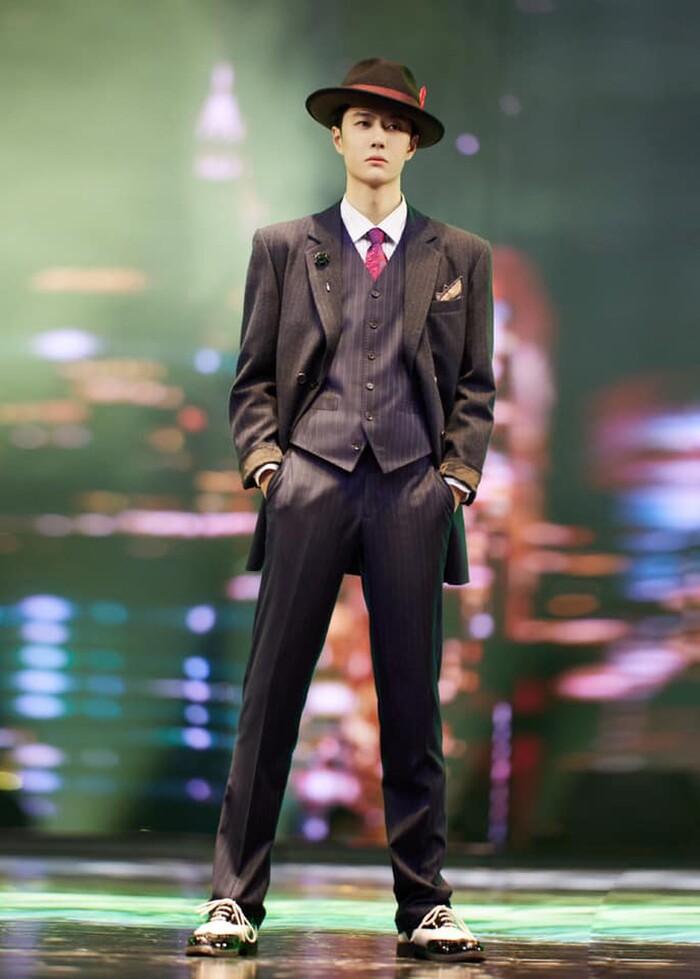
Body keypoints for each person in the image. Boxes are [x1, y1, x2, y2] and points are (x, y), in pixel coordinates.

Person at [187, 57, 495, 963]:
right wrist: (267, 465)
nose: (378, 138)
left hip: (411, 487)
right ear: (338, 136)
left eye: (395, 126)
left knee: (411, 701)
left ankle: (425, 902)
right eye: (364, 122)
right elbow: (252, 375)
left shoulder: (459, 255)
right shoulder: (285, 246)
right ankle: (233, 897)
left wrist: (453, 480)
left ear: (412, 145)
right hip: (311, 480)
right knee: (270, 694)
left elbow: (474, 384)